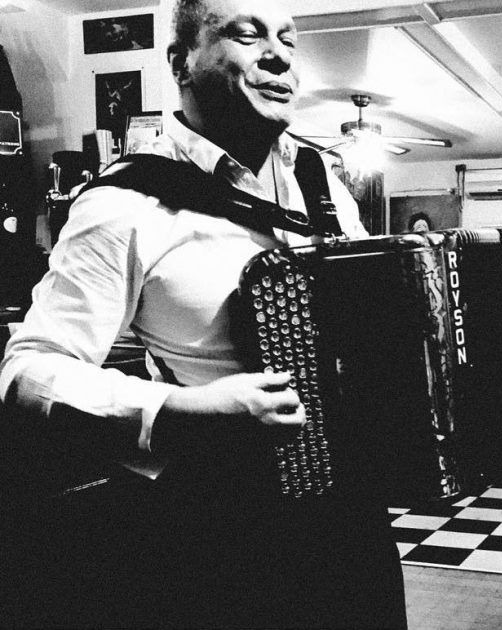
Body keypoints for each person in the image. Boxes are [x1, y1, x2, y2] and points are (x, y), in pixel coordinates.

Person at [0, 0, 404, 627]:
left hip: (351, 518)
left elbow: (362, 321)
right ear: (179, 63)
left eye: (288, 39)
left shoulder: (322, 180)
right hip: (224, 527)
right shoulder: (123, 202)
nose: (278, 55)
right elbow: (26, 371)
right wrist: (181, 412)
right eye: (245, 34)